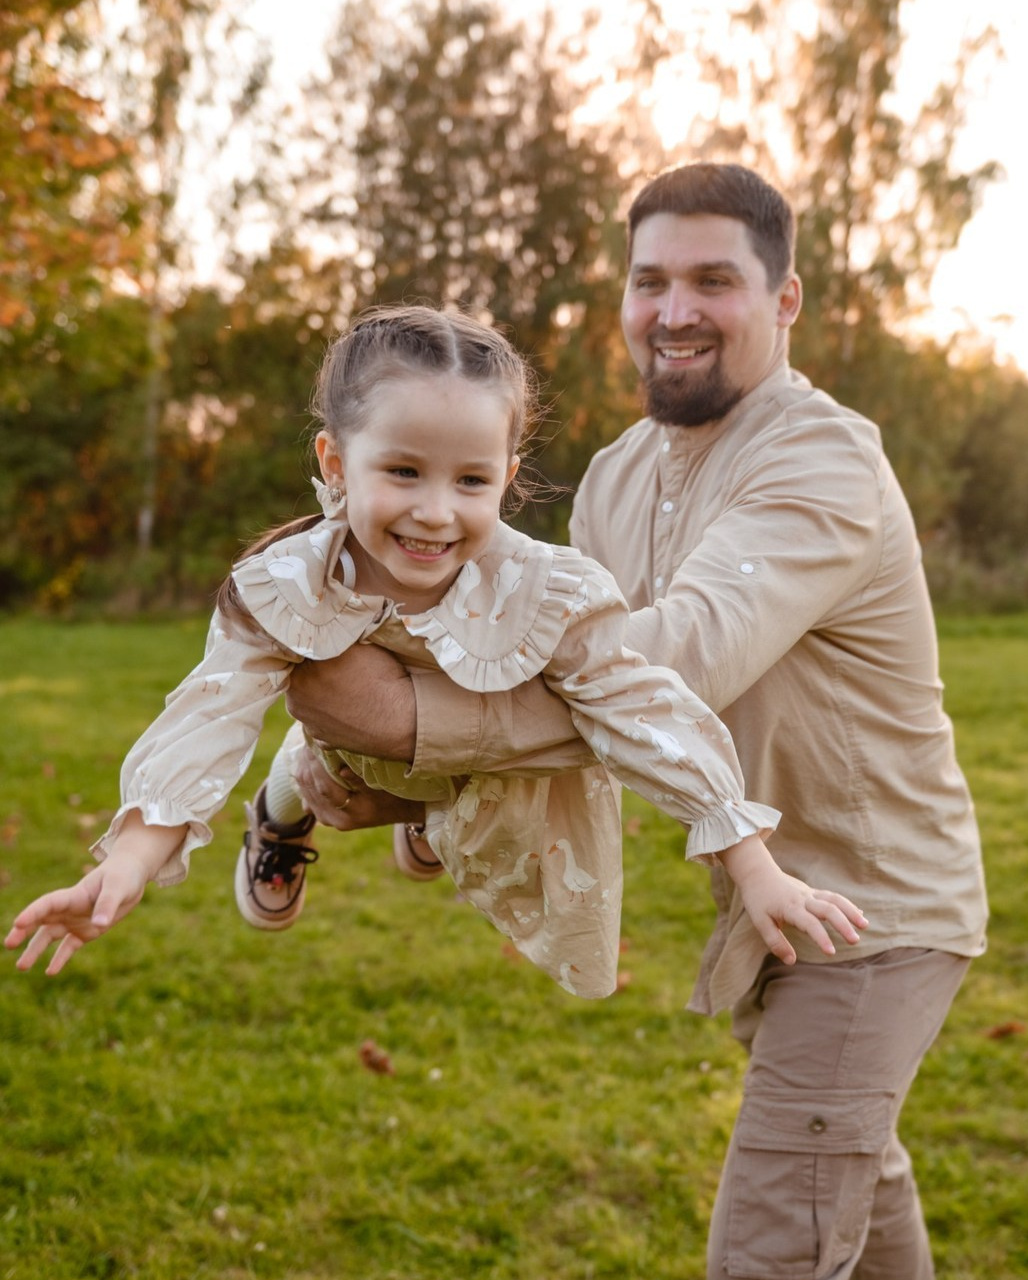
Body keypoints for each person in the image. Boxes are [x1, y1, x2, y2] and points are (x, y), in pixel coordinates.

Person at [282, 165, 988, 1279]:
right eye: (649, 279)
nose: (673, 311)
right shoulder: (616, 474)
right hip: (764, 898)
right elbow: (543, 663)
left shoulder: (820, 457)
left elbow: (673, 663)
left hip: (873, 907)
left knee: (772, 1240)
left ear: (784, 300)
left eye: (713, 280)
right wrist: (416, 795)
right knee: (850, 1171)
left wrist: (415, 722)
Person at [4, 304, 868, 998]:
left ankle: (433, 820)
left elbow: (642, 709)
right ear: (335, 462)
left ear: (506, 472)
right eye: (404, 472)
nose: (435, 513)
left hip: (460, 748)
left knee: (514, 766)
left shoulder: (538, 588)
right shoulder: (291, 582)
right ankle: (280, 820)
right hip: (337, 751)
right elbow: (211, 712)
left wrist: (751, 863)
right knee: (306, 763)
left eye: (471, 481)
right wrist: (127, 860)